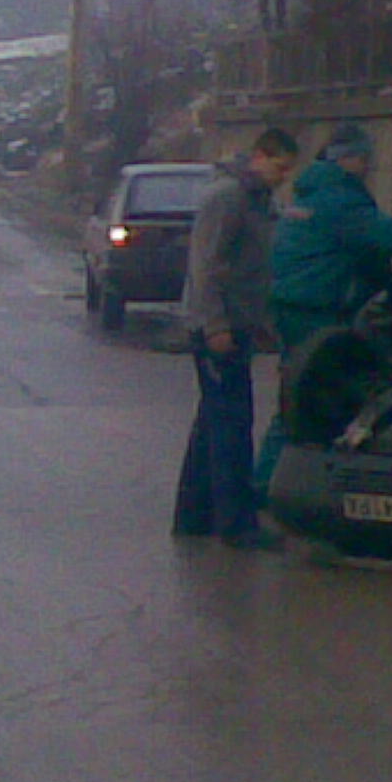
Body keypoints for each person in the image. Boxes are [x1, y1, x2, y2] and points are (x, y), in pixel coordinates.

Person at [253, 124, 392, 494]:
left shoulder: (312, 194)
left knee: (305, 393)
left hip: (294, 306)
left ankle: (290, 483)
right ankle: (268, 486)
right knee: (304, 396)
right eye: (364, 158)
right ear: (347, 158)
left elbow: (368, 257)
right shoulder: (340, 199)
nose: (368, 166)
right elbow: (390, 237)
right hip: (316, 311)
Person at [172, 126, 299, 549]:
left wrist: (260, 323)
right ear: (259, 156)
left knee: (213, 421)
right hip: (217, 328)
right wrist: (215, 326)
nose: (283, 177)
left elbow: (253, 267)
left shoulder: (257, 200)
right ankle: (236, 524)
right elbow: (206, 267)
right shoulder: (228, 197)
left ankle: (193, 517)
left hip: (238, 323)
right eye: (279, 167)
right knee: (231, 423)